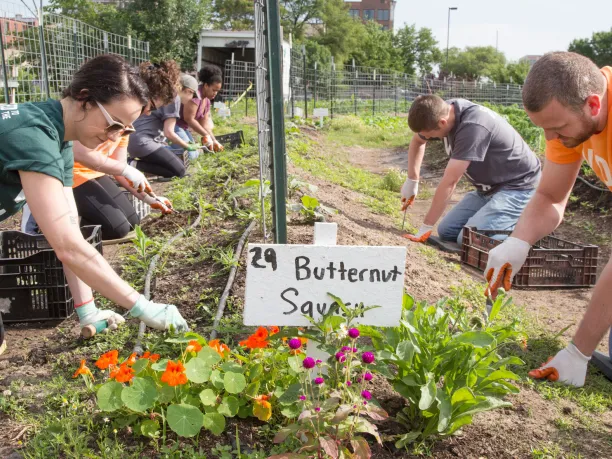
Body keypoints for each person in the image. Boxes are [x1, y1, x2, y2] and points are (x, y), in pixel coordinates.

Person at [0, 54, 188, 355]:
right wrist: (142, 306)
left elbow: (70, 229)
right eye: (113, 124)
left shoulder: (58, 138)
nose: (113, 137)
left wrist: (87, 311)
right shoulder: (33, 137)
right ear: (84, 99)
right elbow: (68, 247)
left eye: (124, 131)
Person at [485, 52, 612, 388]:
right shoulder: (570, 117)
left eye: (557, 129)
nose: (553, 140)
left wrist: (579, 352)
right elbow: (551, 196)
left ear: (594, 105)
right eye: (545, 129)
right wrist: (518, 240)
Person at [20, 61, 177, 240]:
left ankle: (74, 227)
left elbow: (119, 167)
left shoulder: (125, 124)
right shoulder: (77, 121)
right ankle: (48, 222)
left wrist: (150, 198)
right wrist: (125, 169)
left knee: (132, 221)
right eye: (152, 106)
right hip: (73, 172)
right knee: (116, 228)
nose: (149, 113)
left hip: (94, 172)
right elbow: (79, 153)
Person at [401, 95, 541, 246]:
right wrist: (412, 180)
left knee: (468, 241)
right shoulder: (440, 111)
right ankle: (500, 220)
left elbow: (450, 181)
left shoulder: (473, 126)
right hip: (488, 189)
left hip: (519, 188)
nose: (428, 138)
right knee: (447, 231)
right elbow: (418, 141)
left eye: (430, 135)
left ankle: (524, 229)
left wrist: (426, 226)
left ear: (442, 123)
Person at [128, 73, 200, 178]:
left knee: (172, 172)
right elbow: (169, 133)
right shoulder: (174, 98)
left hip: (135, 140)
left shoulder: (167, 94)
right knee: (181, 172)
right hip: (143, 142)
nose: (191, 99)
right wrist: (187, 146)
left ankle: (132, 164)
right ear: (188, 91)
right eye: (192, 95)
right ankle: (128, 164)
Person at [172, 65, 224, 153]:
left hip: (183, 128)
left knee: (194, 152)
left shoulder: (207, 100)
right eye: (214, 90)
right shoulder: (195, 95)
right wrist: (206, 135)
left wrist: (214, 140)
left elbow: (204, 125)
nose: (215, 93)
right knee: (191, 154)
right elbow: (189, 119)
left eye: (217, 91)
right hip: (174, 125)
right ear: (206, 86)